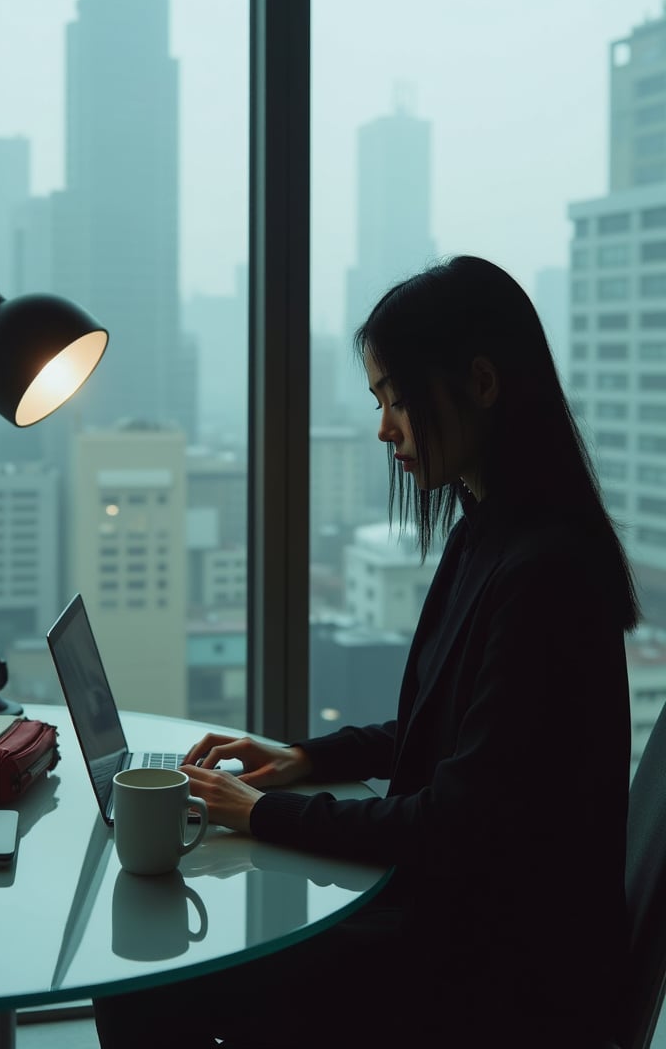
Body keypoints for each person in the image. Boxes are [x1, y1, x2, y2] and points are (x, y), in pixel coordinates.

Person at [93, 255, 638, 1048]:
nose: (385, 429)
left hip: (497, 980)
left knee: (148, 982)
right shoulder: (493, 533)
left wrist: (265, 813)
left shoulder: (544, 573)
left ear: (481, 383)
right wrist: (302, 760)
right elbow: (452, 737)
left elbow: (457, 822)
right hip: (469, 929)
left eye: (396, 399)